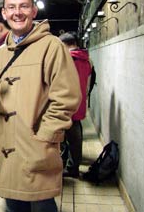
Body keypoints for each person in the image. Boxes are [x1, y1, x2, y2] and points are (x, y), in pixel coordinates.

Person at [0, 0, 81, 212]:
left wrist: (44, 136)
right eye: (11, 7)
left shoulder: (51, 46)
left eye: (24, 6)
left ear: (34, 11)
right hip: (5, 147)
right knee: (14, 206)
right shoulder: (0, 54)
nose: (18, 12)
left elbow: (67, 97)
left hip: (35, 147)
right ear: (4, 13)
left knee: (42, 204)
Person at [59, 31, 92, 178]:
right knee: (75, 139)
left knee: (64, 138)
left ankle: (70, 168)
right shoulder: (87, 60)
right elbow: (89, 83)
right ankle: (73, 166)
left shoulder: (67, 60)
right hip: (79, 104)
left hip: (65, 105)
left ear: (65, 45)